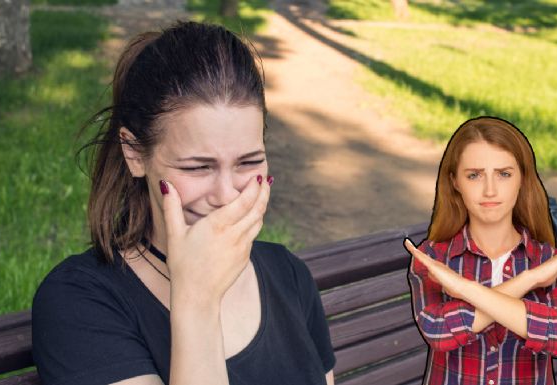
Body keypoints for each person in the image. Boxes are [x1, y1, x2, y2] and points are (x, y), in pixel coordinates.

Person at [32, 21, 335, 385]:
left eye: (249, 162)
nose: (226, 195)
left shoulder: (288, 274)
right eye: (198, 167)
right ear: (134, 153)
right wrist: (197, 301)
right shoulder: (79, 302)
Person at [403, 117, 557, 385]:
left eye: (504, 174)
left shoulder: (550, 260)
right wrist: (529, 280)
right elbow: (439, 332)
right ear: (455, 181)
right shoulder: (432, 257)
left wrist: (464, 289)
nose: (490, 190)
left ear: (522, 180)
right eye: (474, 175)